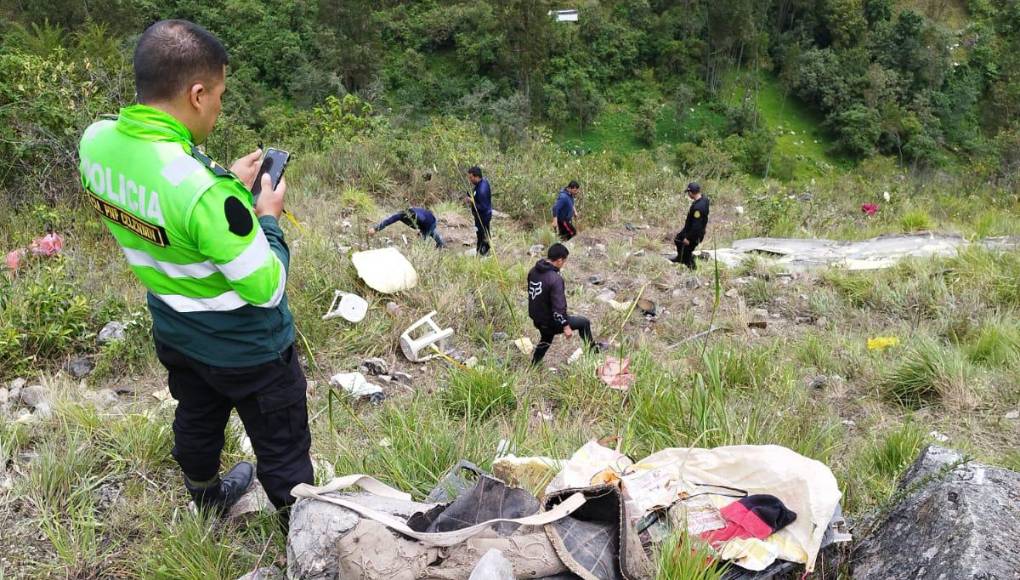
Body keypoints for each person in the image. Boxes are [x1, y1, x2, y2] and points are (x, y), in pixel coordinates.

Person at [77, 20, 313, 521]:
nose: (221, 107)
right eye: (220, 95)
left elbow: (162, 191)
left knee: (197, 419)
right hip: (247, 350)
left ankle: (206, 497)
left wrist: (220, 176)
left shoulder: (95, 143)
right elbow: (267, 286)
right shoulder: (206, 194)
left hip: (177, 331)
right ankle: (302, 527)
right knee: (282, 445)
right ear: (198, 93)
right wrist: (265, 218)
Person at [527, 243, 600, 365]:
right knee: (584, 323)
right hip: (549, 320)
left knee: (546, 338)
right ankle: (593, 352)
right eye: (564, 261)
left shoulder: (533, 271)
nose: (564, 264)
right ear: (560, 260)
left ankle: (534, 365)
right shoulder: (555, 279)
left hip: (537, 318)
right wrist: (565, 326)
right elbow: (558, 307)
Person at [671, 182, 710, 270]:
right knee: (678, 239)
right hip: (690, 229)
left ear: (691, 192)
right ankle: (680, 258)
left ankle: (692, 268)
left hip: (694, 234)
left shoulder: (698, 208)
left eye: (688, 193)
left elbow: (697, 227)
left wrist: (688, 238)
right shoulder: (704, 199)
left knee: (687, 252)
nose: (688, 195)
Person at [369, 207, 445, 248]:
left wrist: (422, 233)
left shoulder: (421, 218)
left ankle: (440, 244)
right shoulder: (401, 214)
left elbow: (427, 228)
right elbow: (388, 221)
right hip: (423, 221)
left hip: (431, 222)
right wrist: (375, 229)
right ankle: (441, 244)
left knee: (423, 239)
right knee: (430, 233)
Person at [465, 166, 492, 256]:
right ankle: (480, 251)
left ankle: (483, 253)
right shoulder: (481, 183)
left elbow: (483, 207)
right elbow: (476, 195)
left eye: (471, 177)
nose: (470, 180)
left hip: (483, 217)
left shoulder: (482, 189)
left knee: (482, 235)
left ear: (476, 176)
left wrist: (472, 201)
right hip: (481, 216)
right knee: (481, 234)